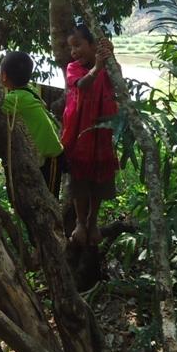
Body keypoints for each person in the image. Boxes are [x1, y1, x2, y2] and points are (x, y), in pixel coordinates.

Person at [61, 23, 118, 246]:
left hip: (101, 134)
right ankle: (80, 223)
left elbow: (118, 81)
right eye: (71, 48)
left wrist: (111, 57)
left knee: (99, 179)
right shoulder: (73, 68)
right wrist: (97, 67)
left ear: (93, 45)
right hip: (79, 135)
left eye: (78, 45)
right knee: (79, 180)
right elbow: (83, 86)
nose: (74, 52)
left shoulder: (108, 68)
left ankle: (93, 221)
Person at [0, 51, 65, 197]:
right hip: (45, 153)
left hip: (51, 154)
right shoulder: (28, 90)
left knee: (48, 195)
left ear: (3, 75)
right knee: (43, 193)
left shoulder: (14, 99)